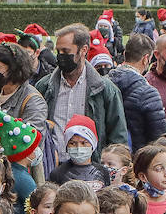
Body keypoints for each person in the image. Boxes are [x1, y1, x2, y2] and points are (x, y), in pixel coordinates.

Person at [37, 25, 128, 158]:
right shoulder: (44, 87)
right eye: (58, 51)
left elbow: (118, 137)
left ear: (84, 50)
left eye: (66, 51)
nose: (61, 56)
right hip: (52, 167)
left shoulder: (106, 90)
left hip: (91, 169)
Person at [107, 34, 166, 149]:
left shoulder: (104, 82)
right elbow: (158, 139)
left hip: (107, 156)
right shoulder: (149, 93)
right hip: (136, 157)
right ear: (146, 59)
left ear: (124, 54)